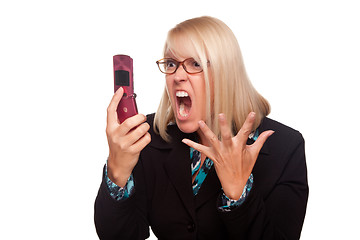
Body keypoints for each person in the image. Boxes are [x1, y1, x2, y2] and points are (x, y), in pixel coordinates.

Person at [94, 16, 308, 240]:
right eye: (171, 64)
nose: (177, 76)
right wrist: (117, 171)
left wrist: (238, 193)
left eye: (195, 63)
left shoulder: (285, 147)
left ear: (226, 73)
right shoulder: (146, 137)